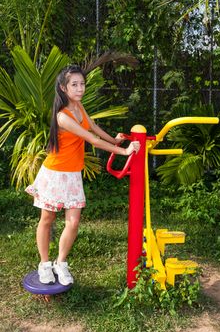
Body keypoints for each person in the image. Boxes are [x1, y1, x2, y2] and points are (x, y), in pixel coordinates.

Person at [25, 65, 140, 286]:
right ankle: (44, 264)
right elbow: (93, 141)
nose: (80, 89)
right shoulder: (62, 117)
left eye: (82, 84)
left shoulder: (79, 106)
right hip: (54, 174)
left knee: (74, 222)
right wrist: (124, 151)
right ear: (63, 88)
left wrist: (115, 141)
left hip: (73, 175)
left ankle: (61, 262)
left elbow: (94, 127)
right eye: (74, 85)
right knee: (47, 219)